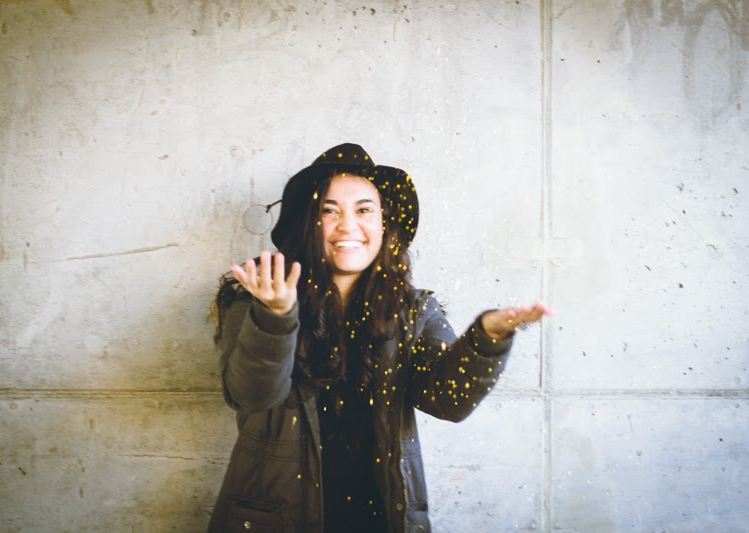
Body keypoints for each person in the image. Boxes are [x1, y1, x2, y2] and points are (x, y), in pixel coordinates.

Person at [207, 143, 551, 533]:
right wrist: (275, 315)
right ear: (308, 223)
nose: (347, 226)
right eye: (329, 211)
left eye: (364, 210)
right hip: (274, 518)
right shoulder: (255, 298)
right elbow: (251, 396)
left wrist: (487, 337)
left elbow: (447, 401)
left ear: (385, 223)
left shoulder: (415, 310)